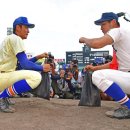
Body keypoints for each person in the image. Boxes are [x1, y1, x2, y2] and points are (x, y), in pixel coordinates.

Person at [79, 12, 130, 119]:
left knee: (98, 76)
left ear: (113, 22)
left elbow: (96, 44)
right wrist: (94, 68)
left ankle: (128, 107)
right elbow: (113, 64)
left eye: (103, 24)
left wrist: (84, 39)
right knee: (103, 75)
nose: (101, 28)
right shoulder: (122, 36)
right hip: (127, 76)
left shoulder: (117, 31)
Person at [0, 16, 51, 113]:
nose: (28, 31)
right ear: (18, 28)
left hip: (3, 76)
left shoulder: (10, 39)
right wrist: (42, 67)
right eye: (26, 27)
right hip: (3, 76)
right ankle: (2, 96)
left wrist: (38, 57)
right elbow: (25, 65)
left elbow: (20, 66)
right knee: (35, 77)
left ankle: (4, 96)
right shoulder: (16, 38)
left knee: (19, 72)